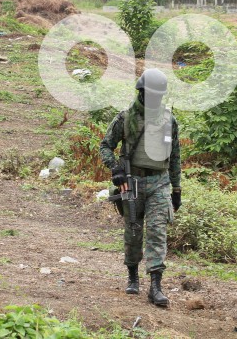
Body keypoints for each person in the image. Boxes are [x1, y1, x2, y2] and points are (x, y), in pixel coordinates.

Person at [100, 68, 181, 307]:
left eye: (159, 95)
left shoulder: (169, 120)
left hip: (159, 182)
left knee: (157, 232)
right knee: (133, 232)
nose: (155, 99)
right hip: (131, 181)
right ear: (142, 93)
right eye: (150, 94)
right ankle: (132, 276)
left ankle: (155, 286)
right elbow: (105, 146)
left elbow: (175, 156)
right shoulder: (125, 118)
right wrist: (115, 168)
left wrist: (177, 189)